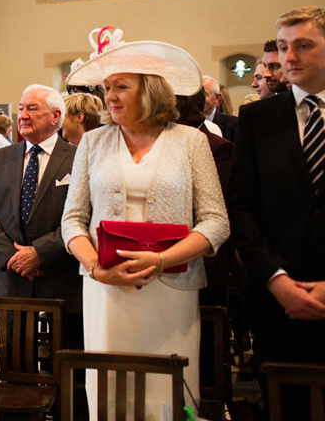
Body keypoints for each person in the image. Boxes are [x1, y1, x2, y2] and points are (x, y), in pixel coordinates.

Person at [60, 35, 229, 421]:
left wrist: (162, 259)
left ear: (151, 89)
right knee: (111, 391)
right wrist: (95, 267)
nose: (110, 97)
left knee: (168, 391)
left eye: (122, 86)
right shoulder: (92, 143)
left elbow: (216, 221)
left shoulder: (190, 142)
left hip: (171, 291)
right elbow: (72, 220)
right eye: (106, 88)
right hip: (107, 289)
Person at [229, 6, 325, 419]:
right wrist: (276, 278)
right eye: (285, 47)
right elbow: (242, 208)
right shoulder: (258, 118)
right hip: (279, 300)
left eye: (304, 45)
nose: (290, 57)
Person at [0, 84, 84, 418]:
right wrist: (13, 256)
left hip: (61, 275)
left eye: (32, 108)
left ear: (56, 116)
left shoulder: (78, 157)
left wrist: (40, 253)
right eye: (21, 108)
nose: (22, 115)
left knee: (67, 367)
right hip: (11, 279)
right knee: (13, 364)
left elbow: (81, 216)